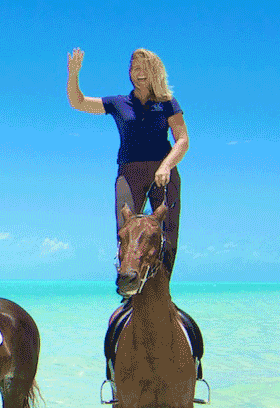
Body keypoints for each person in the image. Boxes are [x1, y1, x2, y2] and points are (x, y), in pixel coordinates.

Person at [67, 47, 189, 272]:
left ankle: (161, 294)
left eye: (144, 68)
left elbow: (182, 141)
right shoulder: (118, 103)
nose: (138, 72)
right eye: (134, 68)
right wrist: (73, 74)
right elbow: (79, 102)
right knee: (126, 232)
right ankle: (128, 288)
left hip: (163, 174)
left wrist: (166, 165)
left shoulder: (168, 102)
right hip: (129, 173)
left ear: (154, 71)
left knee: (167, 237)